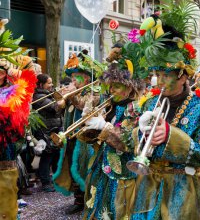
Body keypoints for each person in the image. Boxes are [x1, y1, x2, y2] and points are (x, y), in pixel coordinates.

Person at [127, 0, 200, 219]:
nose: (157, 81)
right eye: (155, 73)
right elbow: (132, 142)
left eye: (164, 74)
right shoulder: (149, 102)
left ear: (183, 74)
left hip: (184, 193)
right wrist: (137, 133)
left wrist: (171, 136)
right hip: (148, 189)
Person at [81, 41, 147, 220]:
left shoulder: (136, 108)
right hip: (103, 166)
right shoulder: (110, 105)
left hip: (123, 172)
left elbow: (129, 141)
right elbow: (94, 138)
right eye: (110, 85)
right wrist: (90, 123)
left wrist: (105, 126)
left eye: (116, 86)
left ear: (130, 87)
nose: (111, 90)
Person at [52, 53, 102, 215]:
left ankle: (88, 198)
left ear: (86, 78)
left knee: (84, 169)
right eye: (72, 78)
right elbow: (57, 108)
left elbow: (85, 108)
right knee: (71, 167)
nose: (73, 81)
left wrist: (72, 95)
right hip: (69, 137)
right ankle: (77, 199)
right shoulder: (73, 92)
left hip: (84, 139)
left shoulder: (94, 91)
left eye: (76, 78)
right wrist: (62, 98)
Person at [0, 29, 37, 218]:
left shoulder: (14, 91)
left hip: (5, 146)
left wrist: (17, 73)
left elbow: (29, 80)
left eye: (1, 71)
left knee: (6, 184)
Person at [32, 73, 64, 192]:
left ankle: (55, 180)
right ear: (41, 84)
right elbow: (54, 108)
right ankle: (45, 183)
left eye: (51, 82)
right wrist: (62, 100)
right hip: (45, 131)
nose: (51, 85)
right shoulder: (38, 96)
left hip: (54, 129)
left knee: (55, 156)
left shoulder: (49, 94)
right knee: (47, 157)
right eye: (49, 83)